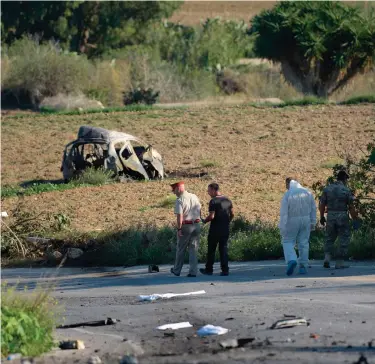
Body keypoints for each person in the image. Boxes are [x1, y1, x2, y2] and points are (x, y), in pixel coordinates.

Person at [319, 169, 359, 269]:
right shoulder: (346, 190)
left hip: (331, 215)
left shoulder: (327, 189)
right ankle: (339, 262)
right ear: (345, 178)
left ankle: (327, 258)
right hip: (342, 215)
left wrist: (321, 216)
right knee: (344, 238)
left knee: (329, 237)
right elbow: (351, 207)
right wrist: (355, 219)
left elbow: (322, 204)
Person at [279, 177, 317, 276]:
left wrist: (282, 226)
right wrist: (313, 222)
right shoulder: (308, 192)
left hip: (292, 220)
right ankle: (303, 266)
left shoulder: (288, 194)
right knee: (304, 243)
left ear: (288, 184)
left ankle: (292, 259)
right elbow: (313, 208)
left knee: (287, 241)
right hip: (306, 220)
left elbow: (284, 213)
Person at [199, 183, 234, 276]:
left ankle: (209, 269)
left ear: (214, 190)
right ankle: (225, 270)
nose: (208, 192)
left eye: (209, 190)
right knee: (223, 249)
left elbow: (212, 216)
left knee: (211, 250)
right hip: (225, 229)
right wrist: (227, 222)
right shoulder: (227, 200)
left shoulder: (213, 201)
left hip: (215, 229)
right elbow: (232, 214)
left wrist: (204, 221)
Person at [170, 181, 202, 277]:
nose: (173, 192)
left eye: (174, 189)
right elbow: (199, 209)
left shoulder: (180, 200)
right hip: (196, 225)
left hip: (186, 226)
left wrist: (179, 229)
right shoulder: (194, 196)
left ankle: (176, 270)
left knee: (181, 249)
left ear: (179, 188)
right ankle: (193, 272)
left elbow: (180, 216)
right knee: (193, 249)